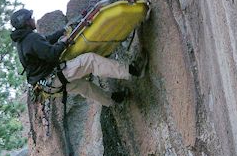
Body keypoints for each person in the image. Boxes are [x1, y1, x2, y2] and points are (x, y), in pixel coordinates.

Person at [10, 8, 147, 106]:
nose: (33, 19)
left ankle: (115, 100)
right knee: (90, 60)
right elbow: (51, 54)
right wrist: (64, 43)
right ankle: (133, 70)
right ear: (26, 22)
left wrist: (63, 31)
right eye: (30, 18)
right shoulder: (31, 38)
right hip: (52, 77)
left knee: (84, 87)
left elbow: (46, 40)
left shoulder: (24, 41)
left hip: (47, 86)